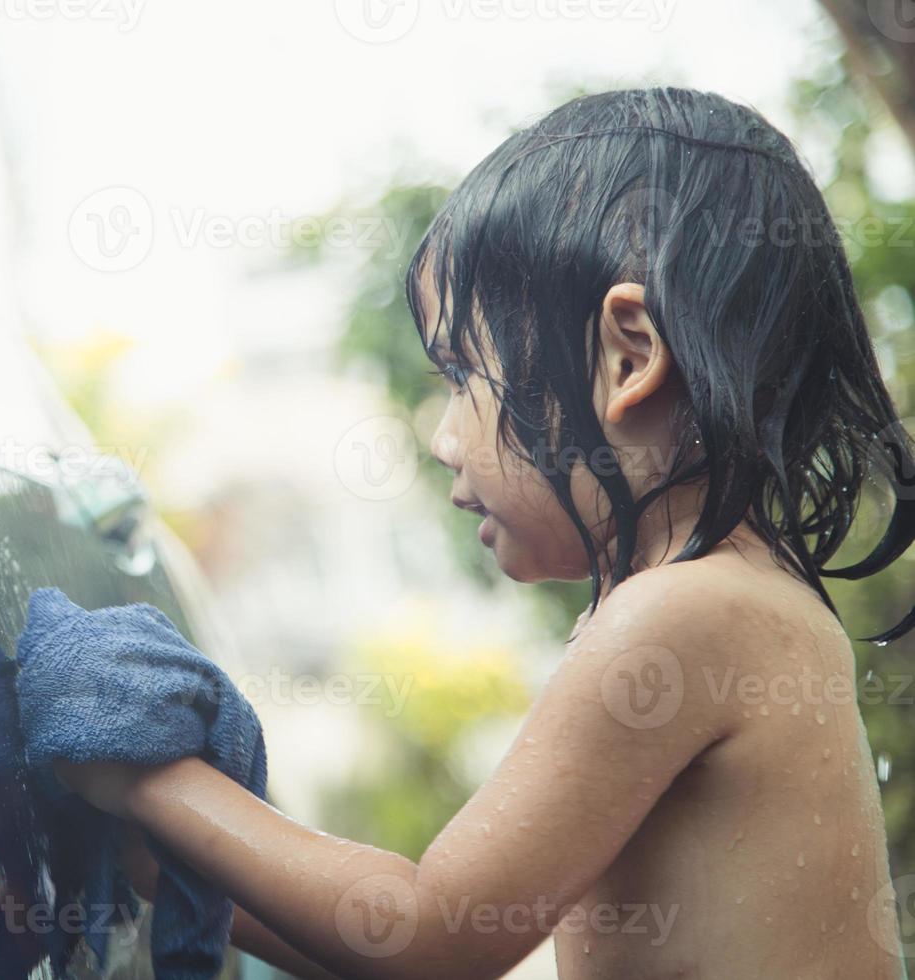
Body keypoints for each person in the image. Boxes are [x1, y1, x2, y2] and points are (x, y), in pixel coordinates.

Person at [54, 87, 910, 979]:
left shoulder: (686, 615)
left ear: (628, 357)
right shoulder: (742, 601)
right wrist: (164, 866)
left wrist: (144, 780)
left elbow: (430, 938)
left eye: (464, 373)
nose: (442, 437)